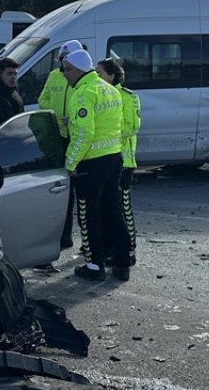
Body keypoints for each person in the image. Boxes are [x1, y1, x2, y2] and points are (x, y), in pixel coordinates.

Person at [63, 49, 131, 281]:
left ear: (78, 70)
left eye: (68, 69)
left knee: (88, 214)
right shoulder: (109, 89)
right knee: (113, 211)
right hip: (114, 157)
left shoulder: (83, 93)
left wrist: (70, 163)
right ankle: (122, 263)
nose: (64, 74)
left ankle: (94, 266)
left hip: (91, 163)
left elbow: (85, 132)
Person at [39, 40, 86, 256]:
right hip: (58, 135)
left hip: (75, 135)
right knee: (60, 189)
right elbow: (43, 99)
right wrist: (56, 118)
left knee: (75, 191)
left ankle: (69, 235)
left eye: (69, 58)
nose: (65, 63)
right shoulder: (54, 76)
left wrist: (73, 120)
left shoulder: (81, 79)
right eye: (63, 59)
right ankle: (60, 235)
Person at [96, 58, 141, 276]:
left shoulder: (126, 97)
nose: (97, 77)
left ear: (112, 76)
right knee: (107, 209)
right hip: (108, 160)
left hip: (123, 161)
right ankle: (108, 248)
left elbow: (132, 127)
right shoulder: (99, 94)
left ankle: (129, 249)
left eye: (101, 73)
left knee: (123, 210)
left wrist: (107, 132)